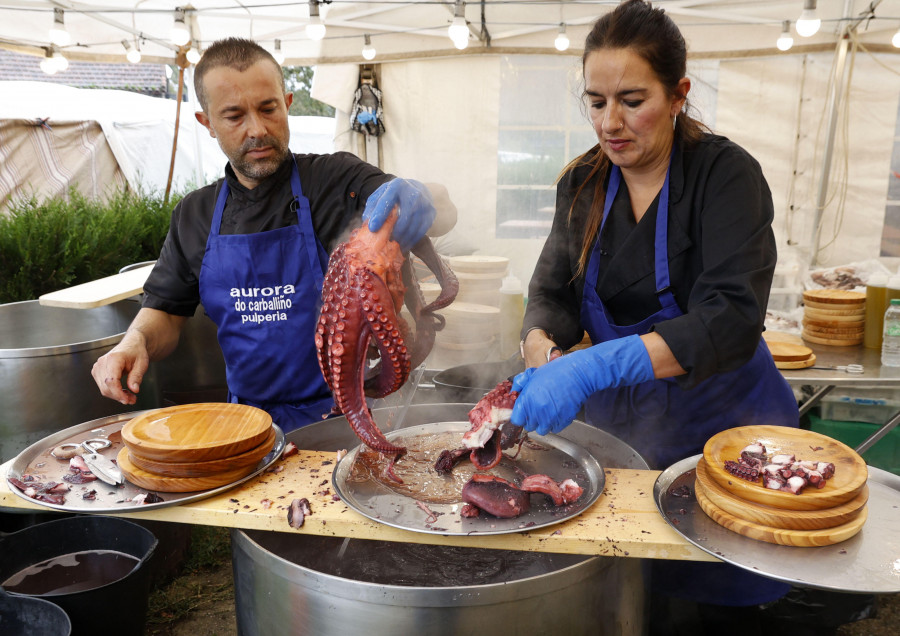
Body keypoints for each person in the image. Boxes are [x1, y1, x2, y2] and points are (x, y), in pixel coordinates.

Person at [509, 1, 801, 632]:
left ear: (679, 95)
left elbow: (730, 317)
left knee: (720, 606)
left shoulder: (725, 177)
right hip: (627, 442)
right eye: (595, 101)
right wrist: (543, 353)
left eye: (632, 100)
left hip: (722, 440)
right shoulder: (582, 183)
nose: (610, 123)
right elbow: (552, 293)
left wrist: (595, 367)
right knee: (636, 600)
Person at [91, 37, 455, 433]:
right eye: (234, 116)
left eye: (269, 108)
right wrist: (135, 342)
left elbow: (442, 212)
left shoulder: (336, 180)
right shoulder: (194, 215)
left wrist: (422, 195)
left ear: (288, 103)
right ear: (207, 123)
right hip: (248, 426)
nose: (258, 129)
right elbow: (165, 310)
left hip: (348, 418)